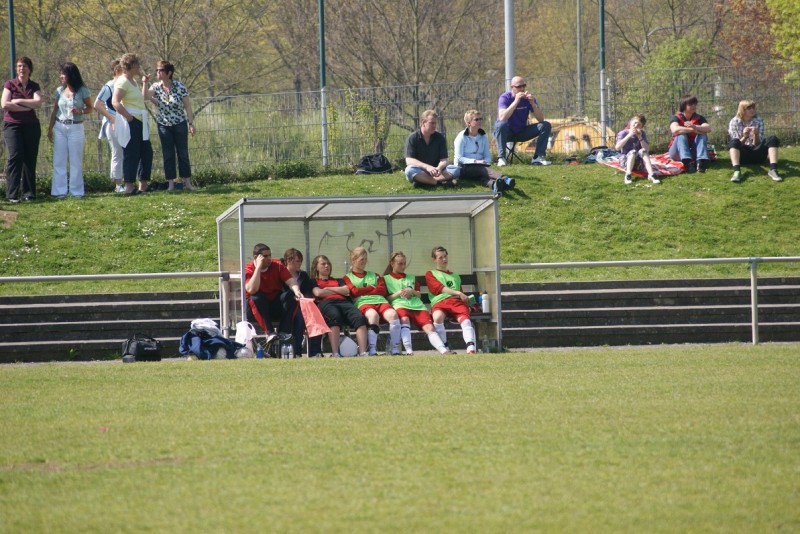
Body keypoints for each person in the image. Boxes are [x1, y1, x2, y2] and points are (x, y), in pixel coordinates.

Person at [383, 251, 451, 355]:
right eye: (400, 264)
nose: (403, 266)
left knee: (429, 327)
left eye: (404, 263)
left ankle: (443, 350)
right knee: (404, 320)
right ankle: (409, 351)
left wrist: (412, 291)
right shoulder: (386, 279)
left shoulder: (411, 277)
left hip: (418, 307)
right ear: (392, 264)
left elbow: (419, 295)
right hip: (400, 306)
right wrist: (399, 292)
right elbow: (387, 299)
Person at [143, 60, 196, 191]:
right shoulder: (156, 86)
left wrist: (191, 124)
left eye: (160, 70)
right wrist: (145, 83)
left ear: (169, 73)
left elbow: (188, 106)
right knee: (168, 154)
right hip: (163, 125)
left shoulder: (179, 86)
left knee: (183, 153)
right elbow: (145, 96)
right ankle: (171, 184)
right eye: (157, 70)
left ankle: (187, 183)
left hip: (180, 124)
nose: (157, 72)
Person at [47, 62, 93, 199]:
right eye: (60, 73)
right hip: (60, 127)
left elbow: (90, 107)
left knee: (75, 160)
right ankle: (59, 191)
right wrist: (50, 128)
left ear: (71, 75)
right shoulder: (59, 91)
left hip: (76, 127)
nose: (61, 76)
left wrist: (80, 111)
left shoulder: (82, 90)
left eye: (64, 74)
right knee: (59, 159)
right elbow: (55, 110)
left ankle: (76, 192)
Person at [344, 247, 402, 355]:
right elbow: (354, 292)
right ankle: (372, 349)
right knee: (373, 315)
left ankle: (395, 349)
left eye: (366, 259)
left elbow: (382, 290)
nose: (364, 262)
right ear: (353, 260)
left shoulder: (375, 275)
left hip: (380, 301)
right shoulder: (348, 277)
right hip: (363, 303)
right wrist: (371, 288)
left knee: (393, 315)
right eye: (361, 259)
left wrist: (363, 291)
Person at [244, 244, 305, 346]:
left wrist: (296, 290)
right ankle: (269, 332)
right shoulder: (249, 268)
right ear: (256, 257)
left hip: (274, 304)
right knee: (257, 296)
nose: (269, 258)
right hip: (256, 308)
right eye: (265, 256)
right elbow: (252, 289)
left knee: (290, 295)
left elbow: (291, 281)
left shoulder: (277, 265)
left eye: (270, 255)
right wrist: (258, 267)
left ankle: (284, 332)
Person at [2, 56, 44, 203]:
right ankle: (12, 194)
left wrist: (18, 101)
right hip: (12, 125)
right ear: (16, 68)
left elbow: (38, 102)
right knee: (15, 156)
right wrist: (27, 107)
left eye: (24, 66)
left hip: (31, 126)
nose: (22, 68)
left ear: (30, 69)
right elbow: (5, 104)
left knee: (29, 158)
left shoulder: (34, 86)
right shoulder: (9, 84)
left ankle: (29, 193)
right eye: (19, 66)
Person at [310, 254, 369, 357]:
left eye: (328, 264)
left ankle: (363, 352)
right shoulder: (313, 281)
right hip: (327, 303)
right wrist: (337, 290)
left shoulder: (338, 280)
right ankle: (335, 353)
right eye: (323, 264)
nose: (327, 266)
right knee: (334, 317)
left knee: (359, 317)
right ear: (316, 267)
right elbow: (318, 293)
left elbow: (346, 290)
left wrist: (327, 289)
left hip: (343, 302)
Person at [112, 53, 152, 195]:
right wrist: (129, 118)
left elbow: (142, 98)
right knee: (131, 153)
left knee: (146, 152)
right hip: (132, 122)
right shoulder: (122, 81)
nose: (139, 67)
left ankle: (142, 185)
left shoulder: (133, 81)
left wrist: (144, 83)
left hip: (141, 121)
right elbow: (115, 102)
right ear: (133, 65)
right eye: (137, 64)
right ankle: (129, 186)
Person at [425, 246, 477, 354]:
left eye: (445, 256)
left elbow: (461, 295)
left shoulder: (455, 276)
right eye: (440, 257)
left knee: (466, 320)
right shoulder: (430, 274)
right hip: (440, 302)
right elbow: (439, 288)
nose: (444, 259)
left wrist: (468, 303)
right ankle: (446, 348)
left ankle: (471, 348)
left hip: (456, 302)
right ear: (434, 259)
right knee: (437, 317)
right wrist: (458, 293)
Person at [493, 76, 552, 167]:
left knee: (545, 125)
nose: (522, 89)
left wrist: (533, 104)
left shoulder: (528, 99)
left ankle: (538, 157)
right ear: (512, 87)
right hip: (506, 132)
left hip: (521, 132)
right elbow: (502, 117)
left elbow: (541, 119)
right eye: (519, 87)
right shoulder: (505, 97)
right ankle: (501, 158)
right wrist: (516, 101)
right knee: (500, 125)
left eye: (524, 86)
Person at [454, 109, 516, 194]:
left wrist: (486, 162)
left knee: (482, 175)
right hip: (463, 168)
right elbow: (459, 158)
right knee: (482, 170)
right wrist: (476, 161)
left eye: (481, 119)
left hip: (480, 167)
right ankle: (505, 179)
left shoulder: (483, 136)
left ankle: (494, 185)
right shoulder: (461, 137)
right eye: (476, 119)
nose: (479, 121)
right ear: (468, 123)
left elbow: (487, 155)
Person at [728, 100, 782, 183]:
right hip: (742, 155)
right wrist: (745, 137)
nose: (752, 110)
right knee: (734, 141)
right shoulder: (734, 122)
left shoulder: (759, 120)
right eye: (749, 108)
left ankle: (773, 169)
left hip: (757, 153)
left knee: (772, 138)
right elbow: (736, 145)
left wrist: (755, 135)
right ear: (742, 110)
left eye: (753, 108)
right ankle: (737, 171)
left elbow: (757, 144)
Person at [283, 247, 323, 357]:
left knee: (316, 317)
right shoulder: (282, 274)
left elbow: (307, 292)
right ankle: (297, 351)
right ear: (289, 260)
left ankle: (315, 352)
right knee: (300, 318)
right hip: (290, 306)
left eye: (300, 261)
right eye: (297, 261)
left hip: (303, 304)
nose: (299, 263)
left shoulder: (303, 275)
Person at [404, 109, 460, 187]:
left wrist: (439, 168)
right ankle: (439, 182)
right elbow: (409, 160)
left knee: (455, 169)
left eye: (435, 123)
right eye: (432, 123)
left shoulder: (440, 138)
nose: (434, 126)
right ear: (423, 123)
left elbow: (444, 160)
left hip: (437, 172)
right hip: (420, 170)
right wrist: (427, 167)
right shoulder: (413, 138)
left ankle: (424, 181)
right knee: (409, 170)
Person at [95, 59, 125, 193]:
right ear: (117, 71)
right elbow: (97, 104)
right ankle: (118, 185)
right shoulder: (110, 85)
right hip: (112, 123)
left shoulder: (125, 84)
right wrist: (111, 118)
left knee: (125, 152)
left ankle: (126, 182)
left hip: (124, 122)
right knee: (117, 152)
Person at [668, 95, 711, 173]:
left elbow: (708, 128)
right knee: (681, 135)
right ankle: (687, 163)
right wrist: (693, 130)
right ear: (684, 105)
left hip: (692, 152)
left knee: (702, 135)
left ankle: (700, 162)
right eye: (690, 104)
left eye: (695, 104)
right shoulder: (676, 117)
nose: (694, 106)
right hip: (676, 152)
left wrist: (695, 126)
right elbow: (675, 129)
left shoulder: (699, 117)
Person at [614, 114, 660, 185]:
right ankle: (628, 175)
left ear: (641, 127)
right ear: (631, 122)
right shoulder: (623, 133)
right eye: (635, 123)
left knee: (643, 151)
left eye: (639, 125)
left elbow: (647, 149)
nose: (636, 126)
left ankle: (651, 174)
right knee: (633, 152)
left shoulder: (642, 133)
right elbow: (617, 147)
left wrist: (640, 137)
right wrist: (629, 135)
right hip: (626, 161)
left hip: (639, 164)